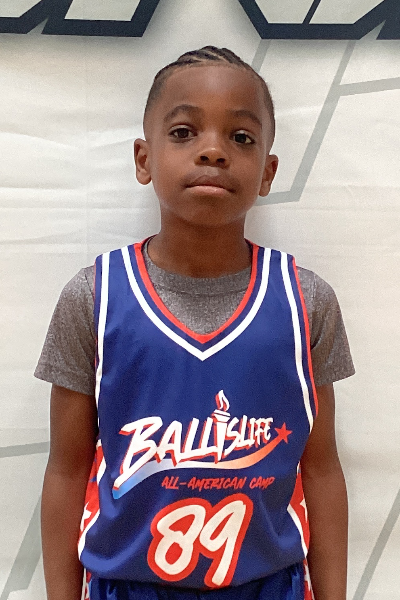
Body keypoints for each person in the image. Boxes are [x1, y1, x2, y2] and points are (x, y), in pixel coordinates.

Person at [35, 46, 354, 600]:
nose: (213, 150)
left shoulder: (307, 301)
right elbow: (66, 470)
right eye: (183, 132)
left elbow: (322, 469)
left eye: (241, 137)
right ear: (144, 159)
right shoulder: (94, 297)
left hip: (267, 585)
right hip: (127, 585)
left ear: (268, 172)